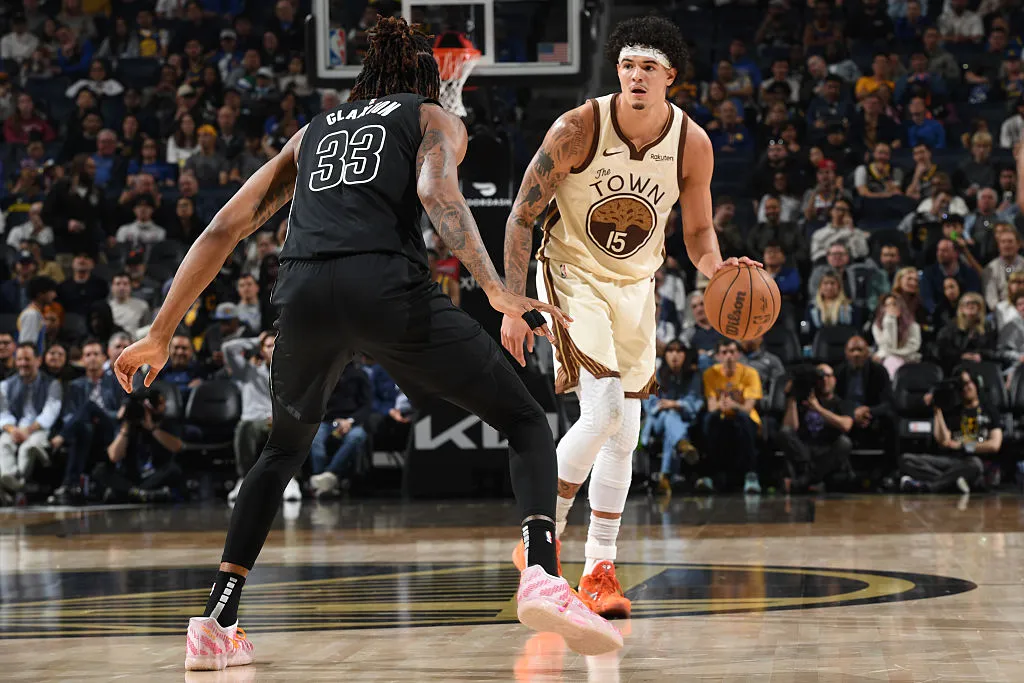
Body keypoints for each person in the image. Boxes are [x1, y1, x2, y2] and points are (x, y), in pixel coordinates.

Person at [113, 18, 621, 670]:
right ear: (426, 81)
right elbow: (436, 191)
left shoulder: (311, 133)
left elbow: (223, 226)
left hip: (300, 296)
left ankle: (216, 619)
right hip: (383, 288)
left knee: (282, 450)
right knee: (526, 415)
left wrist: (160, 331)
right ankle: (544, 575)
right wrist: (496, 290)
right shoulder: (432, 117)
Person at [499, 16, 756, 620]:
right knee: (606, 411)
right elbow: (519, 217)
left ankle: (599, 570)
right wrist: (513, 303)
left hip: (637, 285)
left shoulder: (691, 142)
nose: (635, 76)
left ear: (671, 77)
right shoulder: (578, 127)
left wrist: (720, 273)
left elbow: (697, 232)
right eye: (626, 65)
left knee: (628, 432)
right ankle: (541, 545)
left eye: (648, 67)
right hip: (572, 277)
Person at [224, 332, 300, 504]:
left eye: (276, 345)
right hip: (253, 422)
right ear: (261, 350)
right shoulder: (247, 371)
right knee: (244, 427)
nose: (273, 349)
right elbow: (227, 348)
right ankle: (243, 479)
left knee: (293, 428)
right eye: (268, 346)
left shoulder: (292, 374)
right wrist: (254, 342)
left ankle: (290, 480)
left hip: (279, 422)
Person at [48, 339, 124, 504]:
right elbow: (68, 415)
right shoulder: (74, 386)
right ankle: (70, 484)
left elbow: (119, 414)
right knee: (85, 426)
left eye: (96, 354)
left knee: (90, 406)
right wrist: (85, 420)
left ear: (104, 358)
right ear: (82, 360)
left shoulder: (116, 382)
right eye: (88, 355)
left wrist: (99, 414)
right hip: (85, 432)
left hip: (109, 430)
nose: (92, 358)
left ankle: (60, 438)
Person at [900, 369, 998, 493]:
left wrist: (964, 446)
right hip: (951, 461)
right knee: (906, 459)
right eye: (961, 386)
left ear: (976, 383)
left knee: (975, 465)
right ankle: (955, 483)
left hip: (974, 461)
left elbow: (994, 445)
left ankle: (929, 486)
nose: (966, 388)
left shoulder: (989, 410)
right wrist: (937, 410)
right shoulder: (954, 411)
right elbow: (943, 441)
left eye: (968, 383)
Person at [776, 364, 855, 493]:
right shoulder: (803, 400)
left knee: (844, 443)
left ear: (834, 380)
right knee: (784, 432)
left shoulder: (842, 403)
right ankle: (811, 480)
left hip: (826, 450)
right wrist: (792, 397)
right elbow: (790, 428)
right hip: (803, 449)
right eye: (821, 377)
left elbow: (846, 425)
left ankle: (801, 482)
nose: (825, 380)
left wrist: (818, 408)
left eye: (828, 376)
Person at [0, 343, 62, 501]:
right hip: (13, 428)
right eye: (19, 359)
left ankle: (14, 484)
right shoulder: (5, 385)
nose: (22, 363)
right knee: (3, 443)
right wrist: (13, 430)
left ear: (38, 360)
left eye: (27, 359)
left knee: (29, 447)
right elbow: (3, 412)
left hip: (39, 429)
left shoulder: (52, 384)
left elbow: (50, 413)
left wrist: (28, 430)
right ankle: (17, 482)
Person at [699, 339, 763, 493]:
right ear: (718, 356)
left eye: (732, 352)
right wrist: (721, 406)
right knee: (709, 419)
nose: (728, 356)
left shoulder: (750, 373)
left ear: (739, 354)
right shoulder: (710, 374)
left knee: (742, 418)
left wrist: (734, 406)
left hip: (745, 418)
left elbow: (748, 407)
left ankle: (751, 476)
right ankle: (708, 476)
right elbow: (712, 406)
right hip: (721, 417)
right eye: (724, 352)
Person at [641, 340, 702, 494]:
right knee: (669, 416)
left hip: (683, 419)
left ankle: (666, 477)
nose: (675, 355)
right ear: (665, 355)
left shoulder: (693, 376)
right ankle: (682, 444)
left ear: (685, 355)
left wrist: (675, 404)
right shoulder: (655, 374)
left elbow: (695, 400)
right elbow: (649, 403)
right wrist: (666, 405)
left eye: (679, 351)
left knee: (671, 424)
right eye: (670, 351)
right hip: (657, 421)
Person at [872, 293, 922, 377]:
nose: (891, 307)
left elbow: (912, 348)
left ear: (900, 306)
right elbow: (888, 345)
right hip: (887, 359)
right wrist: (890, 321)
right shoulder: (877, 326)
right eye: (887, 305)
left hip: (908, 359)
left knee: (893, 360)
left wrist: (891, 353)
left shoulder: (913, 325)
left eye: (894, 304)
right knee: (892, 361)